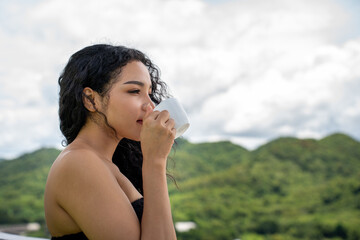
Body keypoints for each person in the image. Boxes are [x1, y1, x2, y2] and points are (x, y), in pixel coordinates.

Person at [44, 44, 177, 240]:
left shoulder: (104, 163)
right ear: (91, 100)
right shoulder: (79, 163)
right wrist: (155, 161)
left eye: (149, 92)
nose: (150, 105)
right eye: (134, 91)